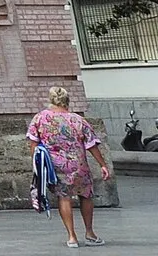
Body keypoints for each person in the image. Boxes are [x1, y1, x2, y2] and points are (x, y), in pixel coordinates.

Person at [29, 86, 112, 247]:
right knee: (86, 195)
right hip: (78, 164)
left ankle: (72, 236)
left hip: (56, 166)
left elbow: (34, 144)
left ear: (51, 100)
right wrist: (103, 164)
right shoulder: (78, 120)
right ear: (67, 101)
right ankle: (90, 233)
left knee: (64, 197)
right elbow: (92, 145)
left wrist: (37, 165)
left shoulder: (40, 118)